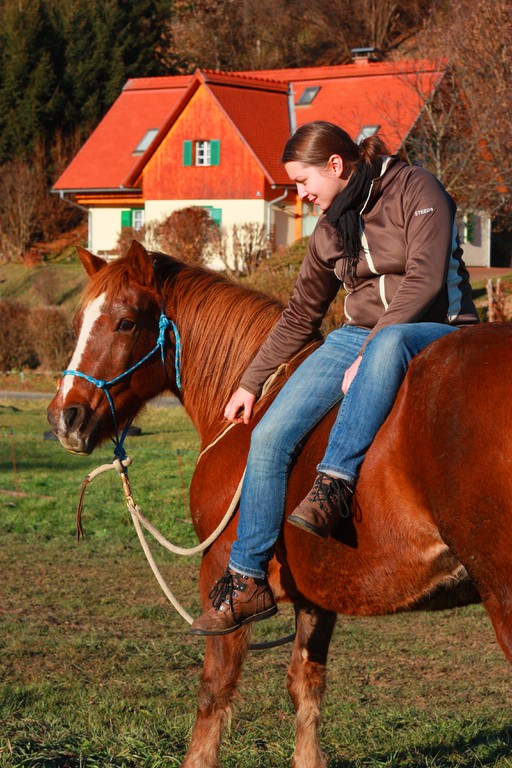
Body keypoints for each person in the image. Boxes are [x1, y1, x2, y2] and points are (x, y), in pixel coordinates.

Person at [190, 120, 479, 637]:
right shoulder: (329, 228)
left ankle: (333, 485)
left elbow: (426, 279)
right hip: (357, 334)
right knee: (270, 434)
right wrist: (250, 383)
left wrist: (370, 348)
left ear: (336, 166)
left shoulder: (417, 188)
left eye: (304, 183)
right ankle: (247, 579)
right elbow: (300, 315)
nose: (300, 196)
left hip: (436, 325)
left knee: (388, 343)